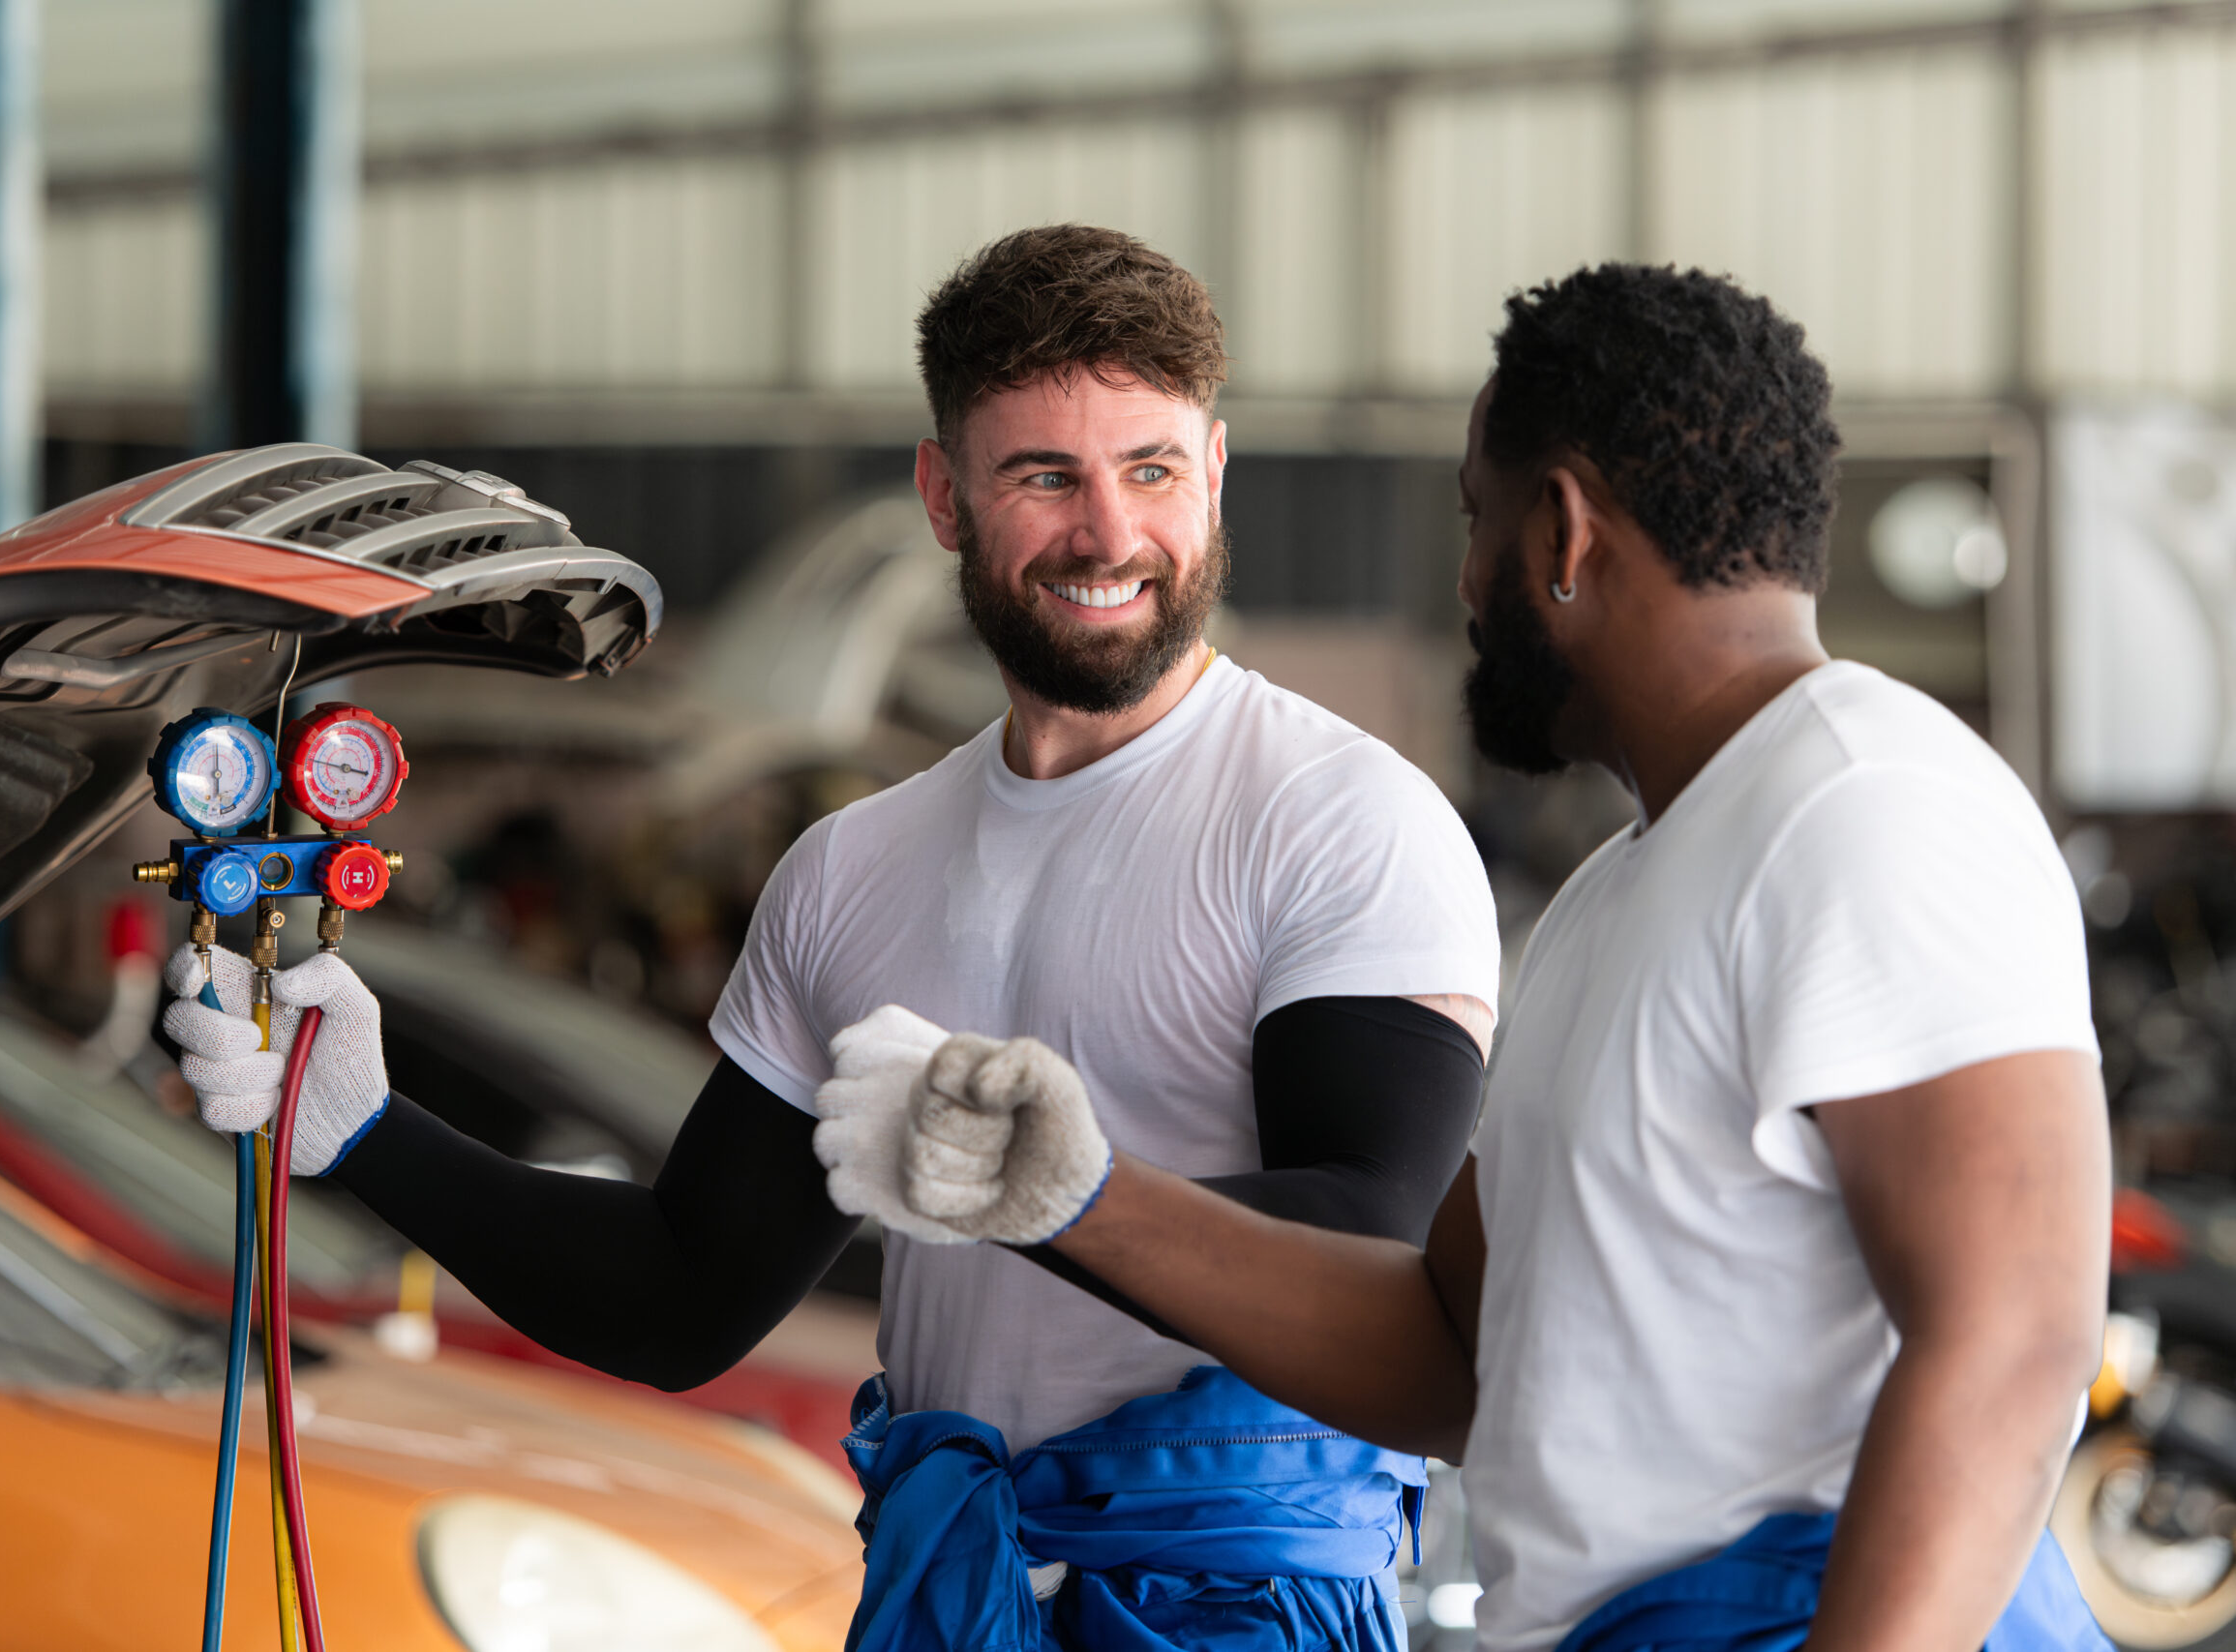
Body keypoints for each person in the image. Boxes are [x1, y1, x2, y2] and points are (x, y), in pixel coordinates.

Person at [159, 224, 1502, 1650]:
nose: (1109, 534)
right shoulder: (854, 871)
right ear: (944, 495)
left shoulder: (1342, 819)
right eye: (1045, 476)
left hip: (1243, 1604)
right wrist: (367, 1128)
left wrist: (1060, 1195)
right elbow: (686, 1293)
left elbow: (1378, 1249)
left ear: (1214, 470)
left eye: (1151, 470)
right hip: (951, 1594)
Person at [837, 264, 2115, 1652]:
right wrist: (1075, 1196)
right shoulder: (1616, 897)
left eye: (1475, 520)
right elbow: (1452, 1350)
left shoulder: (1866, 801)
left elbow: (2014, 1339)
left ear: (1561, 529)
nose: (1463, 582)